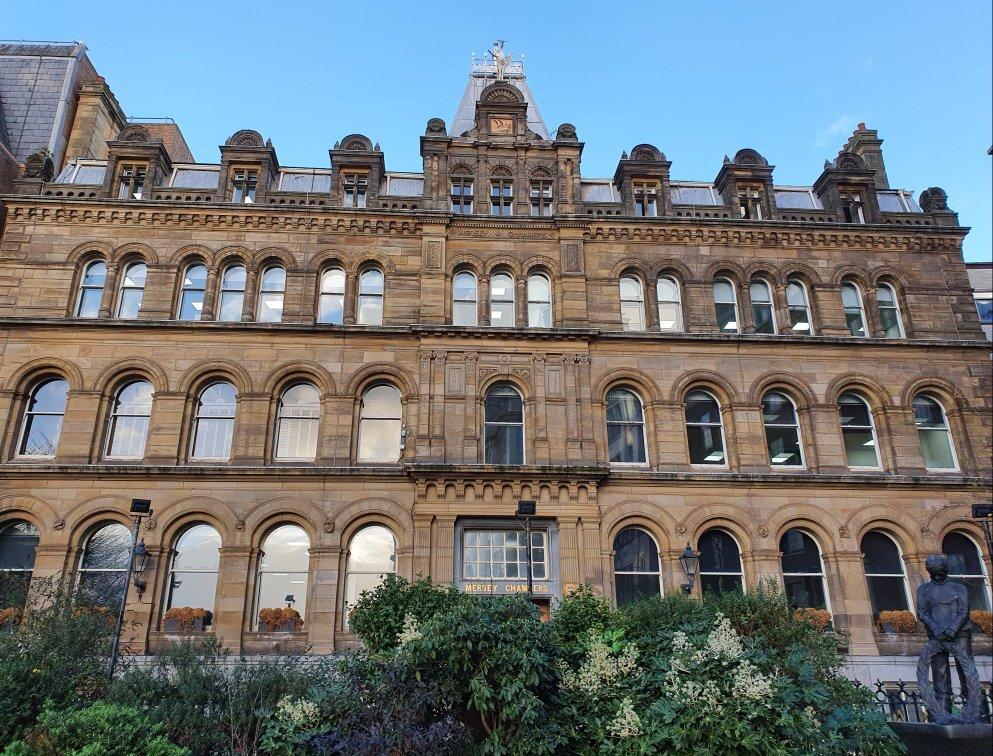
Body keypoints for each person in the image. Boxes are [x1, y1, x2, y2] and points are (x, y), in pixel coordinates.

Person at [915, 554, 972, 715]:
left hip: (960, 633)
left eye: (939, 571)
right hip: (936, 634)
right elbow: (922, 612)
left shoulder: (959, 588)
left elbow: (963, 610)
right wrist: (936, 628)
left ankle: (974, 710)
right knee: (940, 673)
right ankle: (942, 712)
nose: (936, 575)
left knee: (966, 669)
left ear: (946, 569)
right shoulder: (923, 590)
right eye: (933, 571)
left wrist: (953, 629)